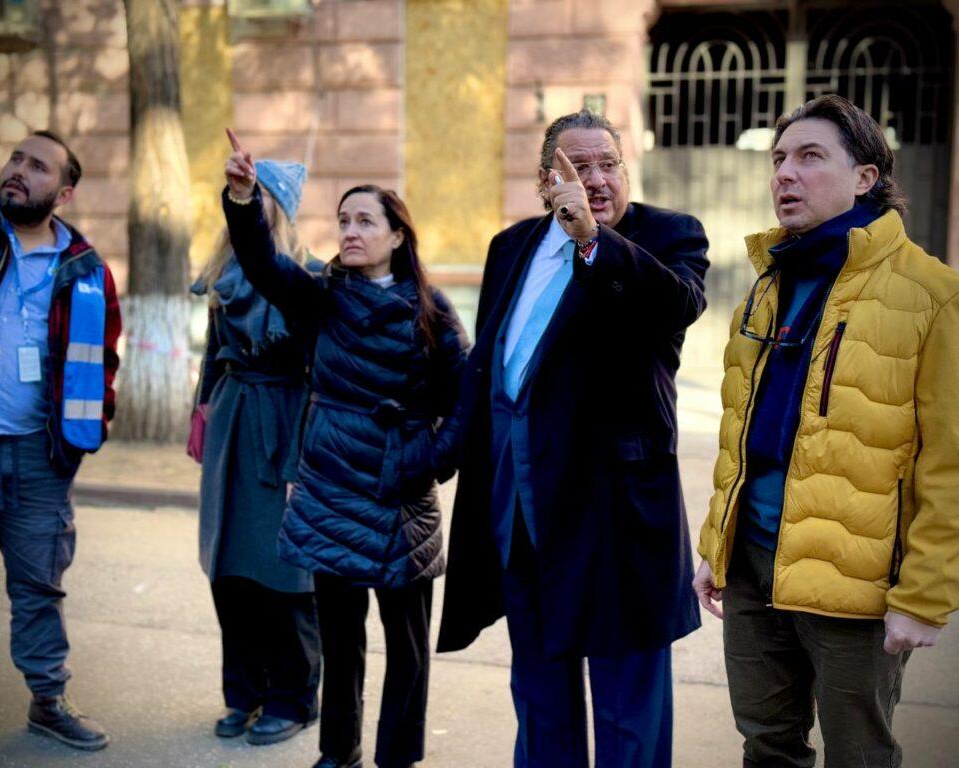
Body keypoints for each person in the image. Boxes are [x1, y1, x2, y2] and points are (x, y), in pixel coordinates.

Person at [438, 109, 709, 767]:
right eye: (575, 167)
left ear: (625, 170)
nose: (594, 179)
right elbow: (488, 374)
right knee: (540, 700)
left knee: (627, 720)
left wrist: (592, 240)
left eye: (606, 164)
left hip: (618, 520)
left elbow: (675, 307)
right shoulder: (511, 247)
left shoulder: (667, 236)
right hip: (523, 517)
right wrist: (429, 460)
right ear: (544, 180)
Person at [694, 94, 959, 768]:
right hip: (754, 566)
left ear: (866, 177)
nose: (784, 173)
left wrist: (924, 596)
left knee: (859, 754)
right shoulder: (768, 281)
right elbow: (741, 433)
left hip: (856, 583)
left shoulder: (931, 293)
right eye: (779, 158)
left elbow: (948, 462)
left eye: (809, 157)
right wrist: (716, 543)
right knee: (767, 744)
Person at [221, 129, 469, 768]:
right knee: (340, 638)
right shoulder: (322, 296)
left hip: (398, 494)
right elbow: (262, 265)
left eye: (365, 220)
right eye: (342, 220)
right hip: (331, 488)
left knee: (408, 647)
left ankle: (396, 757)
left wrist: (428, 462)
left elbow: (464, 403)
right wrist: (245, 200)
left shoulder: (432, 312)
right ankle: (339, 754)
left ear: (396, 235)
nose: (350, 230)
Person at [0, 131, 121, 767]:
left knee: (40, 584)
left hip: (38, 457)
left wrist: (84, 432)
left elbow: (105, 360)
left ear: (63, 192)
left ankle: (48, 699)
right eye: (16, 158)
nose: (18, 170)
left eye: (37, 167)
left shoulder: (86, 268)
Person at [189, 158, 321, 745]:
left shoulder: (310, 275)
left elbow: (322, 373)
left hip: (286, 423)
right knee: (231, 571)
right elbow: (213, 354)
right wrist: (203, 414)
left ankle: (293, 698)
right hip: (233, 425)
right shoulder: (222, 273)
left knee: (285, 576)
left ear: (279, 208)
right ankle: (242, 692)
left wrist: (307, 456)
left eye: (259, 194)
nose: (247, 201)